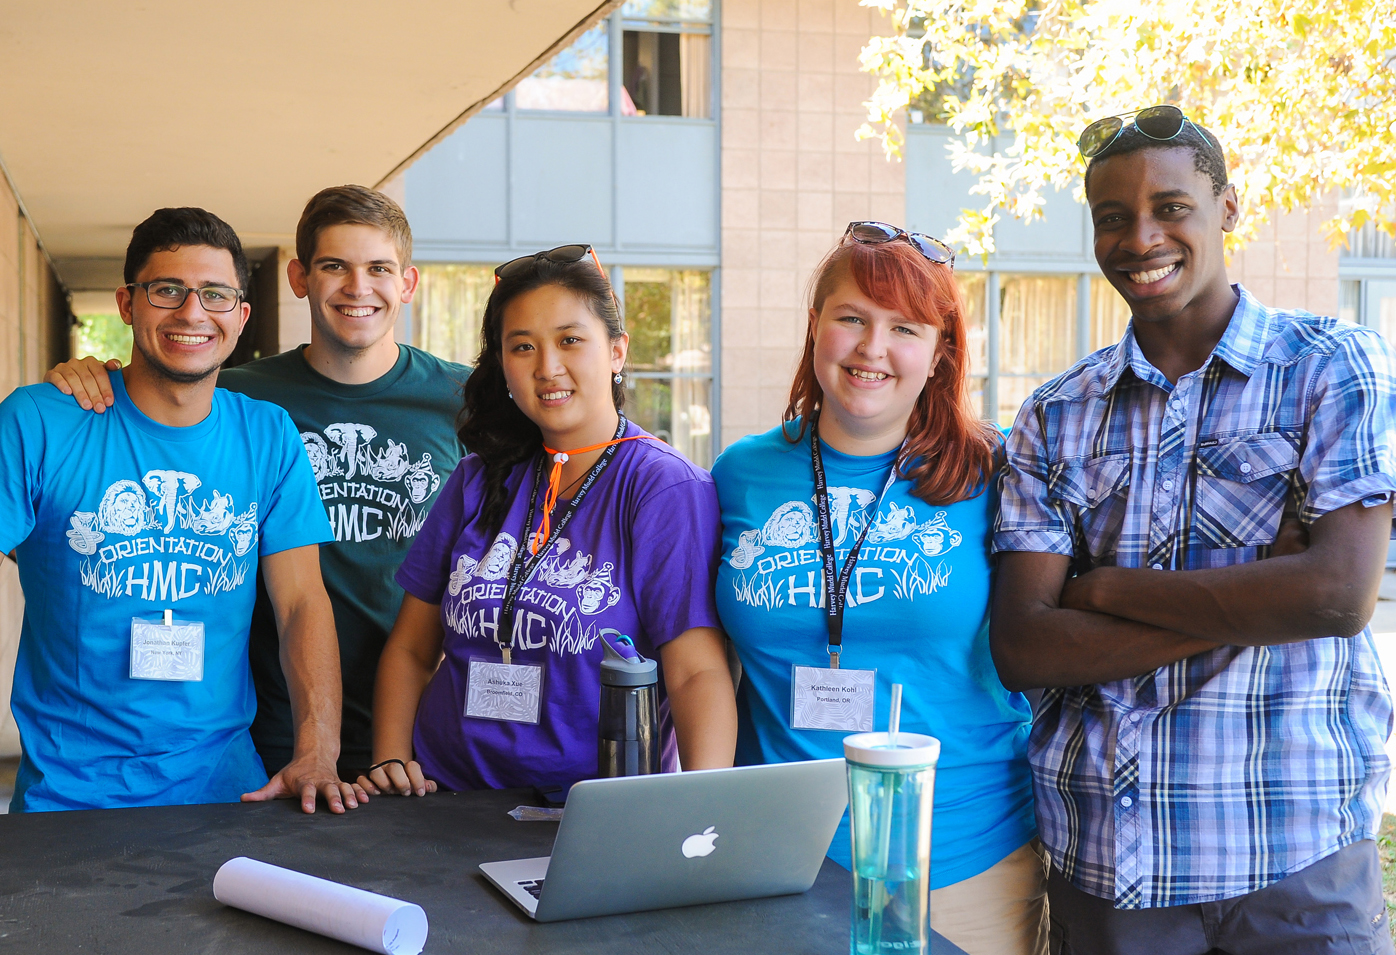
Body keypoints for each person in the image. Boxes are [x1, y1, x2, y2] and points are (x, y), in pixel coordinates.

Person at [992, 108, 1396, 954]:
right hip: (1108, 864)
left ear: (1228, 208)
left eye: (1171, 206)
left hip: (1295, 860)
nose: (1141, 237)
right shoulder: (1054, 415)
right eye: (1112, 216)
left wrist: (1102, 589)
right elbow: (1026, 649)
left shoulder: (1331, 367)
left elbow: (1335, 596)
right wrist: (1257, 600)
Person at [46, 185, 469, 782]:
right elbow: (160, 397)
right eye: (333, 267)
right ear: (299, 278)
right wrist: (89, 381)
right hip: (271, 728)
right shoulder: (239, 398)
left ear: (408, 283)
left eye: (379, 268)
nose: (357, 287)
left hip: (418, 727)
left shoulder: (461, 399)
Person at [711, 223, 1045, 955]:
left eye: (904, 327)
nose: (872, 348)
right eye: (852, 318)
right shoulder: (740, 474)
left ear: (939, 351)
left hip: (966, 858)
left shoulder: (996, 473)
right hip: (779, 860)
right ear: (816, 327)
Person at [0, 207, 358, 813]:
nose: (192, 313)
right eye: (167, 290)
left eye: (215, 294)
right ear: (127, 303)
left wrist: (318, 749)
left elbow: (301, 603)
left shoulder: (268, 435)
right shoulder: (39, 422)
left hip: (226, 791)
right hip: (69, 799)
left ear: (241, 316)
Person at [357, 245, 736, 799]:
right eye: (523, 347)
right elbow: (413, 649)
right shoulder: (477, 478)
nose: (547, 367)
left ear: (617, 350)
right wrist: (389, 760)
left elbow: (695, 673)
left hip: (589, 814)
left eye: (570, 340)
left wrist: (702, 819)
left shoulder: (664, 487)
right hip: (442, 801)